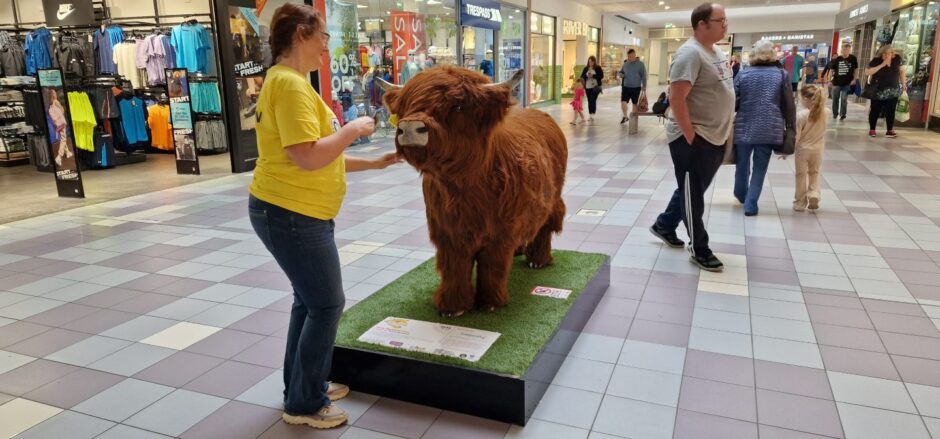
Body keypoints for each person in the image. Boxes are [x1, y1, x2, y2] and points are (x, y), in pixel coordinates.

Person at [248, 4, 398, 430]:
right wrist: (353, 130)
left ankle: (302, 386)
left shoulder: (288, 82)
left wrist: (376, 163)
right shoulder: (291, 87)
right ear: (300, 35)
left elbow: (316, 155)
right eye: (324, 38)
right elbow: (306, 155)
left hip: (294, 211)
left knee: (308, 302)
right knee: (326, 303)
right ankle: (305, 404)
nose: (326, 49)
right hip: (292, 214)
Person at [649, 2, 734, 272]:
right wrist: (690, 136)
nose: (725, 25)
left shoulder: (715, 50)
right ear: (701, 24)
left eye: (725, 20)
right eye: (720, 20)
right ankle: (700, 248)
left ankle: (664, 225)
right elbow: (676, 98)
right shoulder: (690, 54)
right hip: (694, 139)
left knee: (691, 189)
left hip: (715, 136)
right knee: (693, 195)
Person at [732, 39, 795, 216]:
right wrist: (791, 127)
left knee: (742, 163)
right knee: (760, 167)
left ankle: (741, 193)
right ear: (772, 55)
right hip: (769, 128)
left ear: (753, 55)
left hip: (744, 126)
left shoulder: (743, 74)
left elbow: (733, 101)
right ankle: (751, 205)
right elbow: (788, 105)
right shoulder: (781, 74)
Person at [790, 85, 830, 212]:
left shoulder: (801, 115)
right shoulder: (826, 112)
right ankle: (814, 194)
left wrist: (787, 151)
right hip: (818, 150)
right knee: (814, 173)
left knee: (800, 175)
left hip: (802, 151)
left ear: (806, 99)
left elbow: (796, 136)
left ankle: (800, 203)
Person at [865, 44, 906, 138]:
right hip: (878, 90)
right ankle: (872, 129)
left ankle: (889, 130)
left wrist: (904, 84)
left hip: (893, 90)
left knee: (891, 111)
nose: (886, 56)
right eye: (883, 54)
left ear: (892, 54)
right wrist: (882, 65)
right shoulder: (876, 61)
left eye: (888, 53)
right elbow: (867, 72)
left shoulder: (897, 59)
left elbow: (902, 71)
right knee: (875, 110)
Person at [822, 43, 859, 121]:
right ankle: (835, 113)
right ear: (841, 50)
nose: (845, 51)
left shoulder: (853, 58)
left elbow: (856, 70)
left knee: (844, 99)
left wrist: (854, 79)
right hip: (836, 82)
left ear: (849, 50)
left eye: (847, 49)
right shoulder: (837, 59)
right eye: (844, 49)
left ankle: (843, 114)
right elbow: (831, 70)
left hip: (847, 83)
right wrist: (829, 80)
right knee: (835, 99)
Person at [618, 49, 647, 124]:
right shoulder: (625, 64)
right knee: (623, 101)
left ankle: (633, 118)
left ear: (634, 56)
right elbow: (621, 72)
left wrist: (644, 86)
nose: (629, 58)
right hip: (626, 86)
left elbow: (644, 75)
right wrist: (621, 74)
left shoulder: (640, 64)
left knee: (634, 103)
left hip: (636, 87)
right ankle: (625, 116)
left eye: (630, 57)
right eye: (628, 57)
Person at [580, 56, 603, 123]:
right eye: (589, 61)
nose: (590, 63)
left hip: (595, 87)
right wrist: (587, 76)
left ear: (594, 61)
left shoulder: (598, 68)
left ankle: (592, 114)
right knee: (589, 100)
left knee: (593, 99)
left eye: (592, 61)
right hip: (587, 87)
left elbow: (601, 76)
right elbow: (582, 77)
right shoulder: (586, 68)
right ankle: (590, 114)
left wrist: (593, 76)